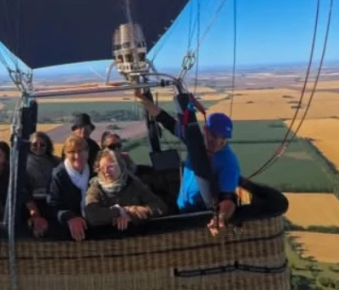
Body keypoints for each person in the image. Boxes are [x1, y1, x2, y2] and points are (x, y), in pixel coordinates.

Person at [137, 91, 241, 236]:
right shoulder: (195, 141)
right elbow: (167, 121)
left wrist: (221, 218)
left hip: (201, 216)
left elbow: (228, 198)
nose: (218, 142)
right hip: (182, 206)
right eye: (214, 136)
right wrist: (144, 101)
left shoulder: (228, 162)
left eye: (223, 138)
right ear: (205, 130)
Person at [84, 148, 167, 230]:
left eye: (110, 167)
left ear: (120, 166)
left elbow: (160, 206)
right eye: (102, 168)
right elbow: (92, 215)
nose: (106, 171)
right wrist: (120, 211)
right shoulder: (95, 188)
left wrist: (134, 213)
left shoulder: (133, 183)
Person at [0, 141, 47, 237]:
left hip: (14, 223)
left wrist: (36, 217)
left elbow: (29, 202)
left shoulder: (16, 175)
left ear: (4, 157)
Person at [47, 135, 93, 242]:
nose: (77, 156)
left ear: (87, 153)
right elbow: (52, 206)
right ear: (66, 154)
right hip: (66, 228)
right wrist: (69, 217)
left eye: (81, 151)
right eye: (72, 152)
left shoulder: (93, 172)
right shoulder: (58, 175)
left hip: (91, 223)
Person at [26, 131, 59, 199]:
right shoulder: (23, 162)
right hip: (32, 200)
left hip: (52, 197)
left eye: (42, 145)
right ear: (29, 145)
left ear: (47, 146)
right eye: (35, 144)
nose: (38, 147)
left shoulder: (55, 161)